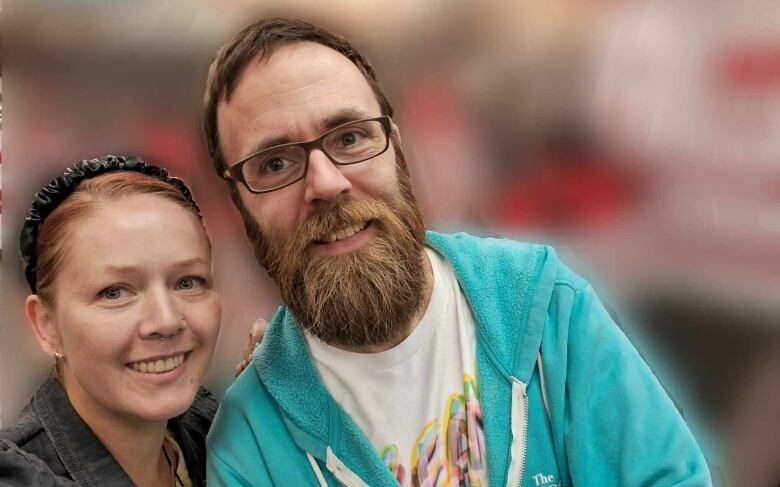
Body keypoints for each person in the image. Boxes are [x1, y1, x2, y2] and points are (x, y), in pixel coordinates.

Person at [203, 19, 712, 487]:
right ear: (240, 207)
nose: (326, 182)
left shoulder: (546, 307)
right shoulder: (249, 445)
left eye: (351, 136)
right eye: (274, 164)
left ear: (397, 150)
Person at [0, 156, 221, 487]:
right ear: (47, 325)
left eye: (187, 282)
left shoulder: (223, 436)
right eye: (115, 292)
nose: (166, 321)